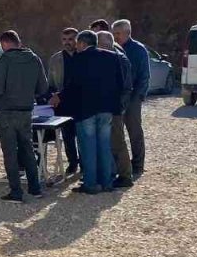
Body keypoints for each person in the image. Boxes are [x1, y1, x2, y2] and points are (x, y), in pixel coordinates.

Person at [57, 30, 123, 194]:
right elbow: (119, 83)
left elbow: (72, 86)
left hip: (85, 109)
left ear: (82, 44)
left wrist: (59, 97)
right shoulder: (112, 57)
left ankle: (91, 183)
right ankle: (107, 182)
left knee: (88, 147)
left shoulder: (78, 59)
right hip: (106, 108)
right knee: (104, 145)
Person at [0, 30, 48, 202]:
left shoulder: (3, 61)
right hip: (26, 111)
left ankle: (16, 191)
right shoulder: (34, 59)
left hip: (6, 111)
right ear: (19, 42)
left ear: (4, 44)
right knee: (28, 149)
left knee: (10, 153)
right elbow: (43, 88)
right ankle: (35, 188)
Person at [112, 19, 149, 179]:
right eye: (114, 34)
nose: (115, 37)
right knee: (116, 133)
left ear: (127, 33)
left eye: (118, 34)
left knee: (134, 131)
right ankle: (120, 164)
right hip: (118, 97)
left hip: (133, 97)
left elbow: (144, 76)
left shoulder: (139, 50)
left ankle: (138, 164)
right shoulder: (113, 49)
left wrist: (139, 97)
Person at [98, 30, 134, 188]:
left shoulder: (117, 59)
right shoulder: (117, 57)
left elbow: (124, 86)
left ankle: (125, 175)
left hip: (115, 106)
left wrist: (118, 106)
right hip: (113, 105)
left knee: (117, 141)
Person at [46, 27, 80, 173]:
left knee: (83, 135)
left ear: (77, 40)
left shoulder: (83, 57)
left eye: (71, 39)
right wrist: (52, 96)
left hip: (81, 103)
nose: (67, 43)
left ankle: (86, 164)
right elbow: (50, 84)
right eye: (64, 40)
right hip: (63, 104)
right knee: (68, 136)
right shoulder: (56, 59)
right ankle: (72, 162)